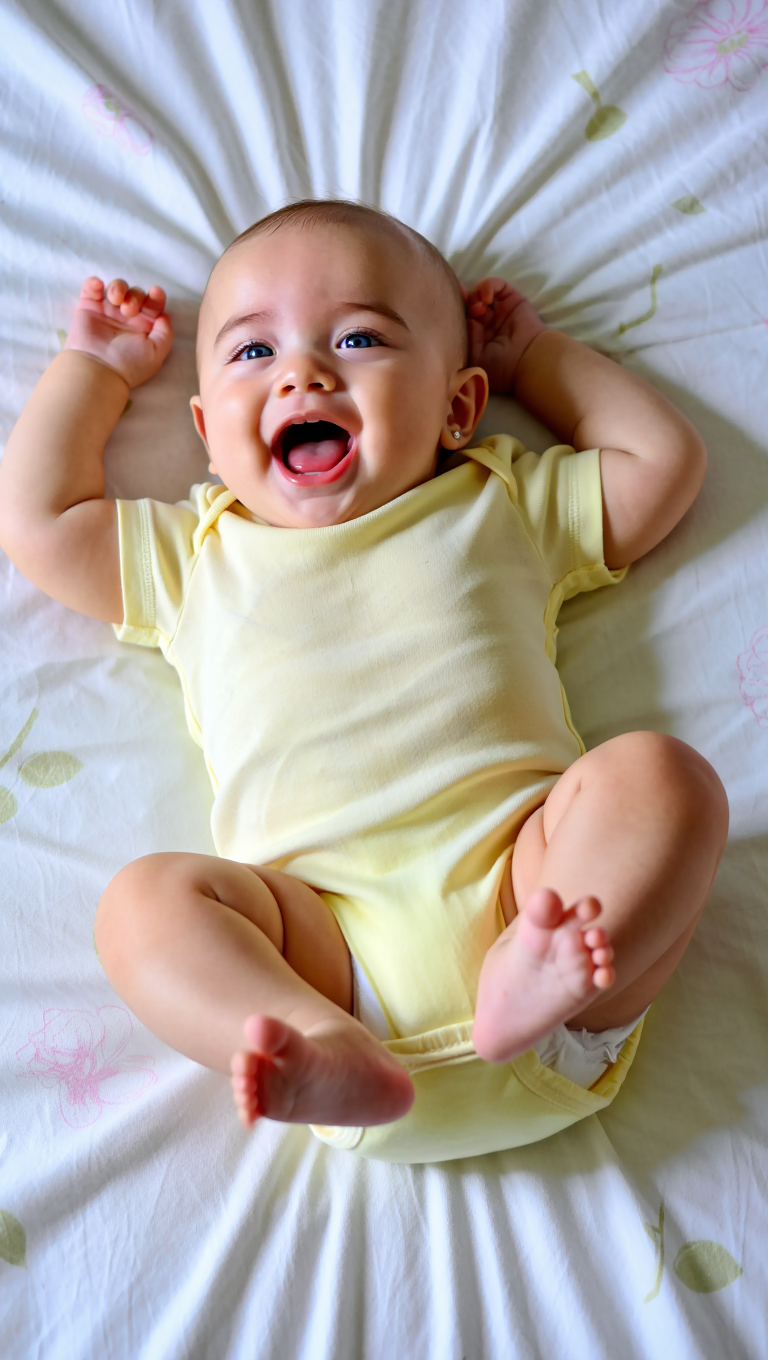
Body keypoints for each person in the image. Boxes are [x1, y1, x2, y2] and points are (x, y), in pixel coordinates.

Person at [0, 201, 728, 1163]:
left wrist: (535, 360)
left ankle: (530, 976)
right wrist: (91, 373)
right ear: (208, 431)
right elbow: (42, 522)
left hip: (542, 913)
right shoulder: (195, 556)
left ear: (458, 407)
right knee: (141, 907)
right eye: (253, 354)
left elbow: (663, 464)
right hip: (328, 964)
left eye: (358, 337)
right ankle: (310, 1042)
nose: (304, 370)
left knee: (663, 779)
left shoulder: (498, 500)